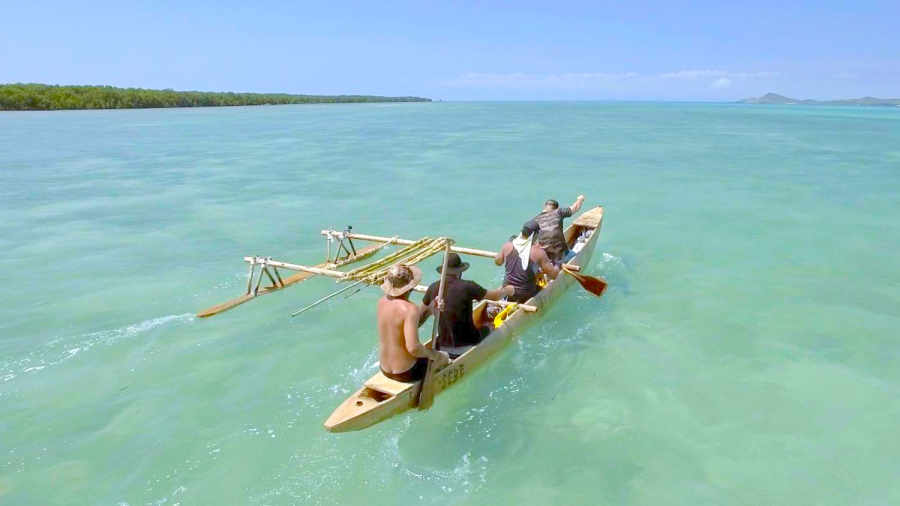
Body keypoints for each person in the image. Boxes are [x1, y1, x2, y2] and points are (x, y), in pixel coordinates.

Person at [418, 253, 514, 352]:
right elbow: (495, 296)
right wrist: (507, 290)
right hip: (468, 343)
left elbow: (419, 313)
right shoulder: (469, 286)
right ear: (459, 271)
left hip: (443, 344)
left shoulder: (433, 288)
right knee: (490, 325)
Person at [377, 264, 449, 382]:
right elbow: (413, 348)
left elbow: (401, 329)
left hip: (384, 369)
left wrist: (430, 310)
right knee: (444, 356)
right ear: (410, 287)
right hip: (406, 372)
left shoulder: (381, 302)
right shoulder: (410, 309)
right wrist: (432, 354)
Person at [495, 220, 559, 303]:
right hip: (525, 294)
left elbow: (497, 262)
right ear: (535, 235)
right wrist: (558, 265)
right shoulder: (538, 252)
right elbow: (553, 275)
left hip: (507, 291)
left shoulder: (507, 246)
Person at [534, 195, 585, 263]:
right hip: (562, 256)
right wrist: (580, 199)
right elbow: (575, 207)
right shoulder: (559, 212)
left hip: (546, 259)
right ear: (556, 208)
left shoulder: (536, 219)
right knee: (577, 257)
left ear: (544, 207)